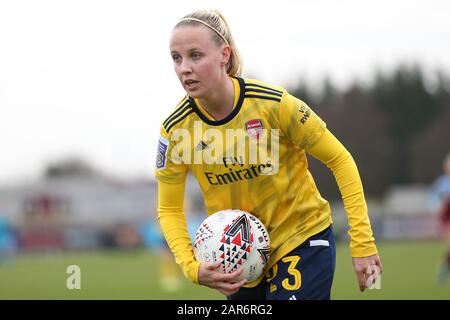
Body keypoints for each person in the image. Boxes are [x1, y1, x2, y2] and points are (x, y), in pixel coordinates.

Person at [155, 9, 383, 300]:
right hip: (238, 258)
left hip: (301, 237)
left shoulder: (275, 106)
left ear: (224, 55)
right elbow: (170, 210)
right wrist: (192, 267)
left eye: (195, 55)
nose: (184, 68)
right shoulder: (175, 130)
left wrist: (362, 242)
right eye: (177, 58)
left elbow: (340, 160)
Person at [428, 152, 450, 284]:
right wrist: (438, 207)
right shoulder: (441, 183)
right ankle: (443, 269)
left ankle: (444, 267)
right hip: (447, 217)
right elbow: (432, 200)